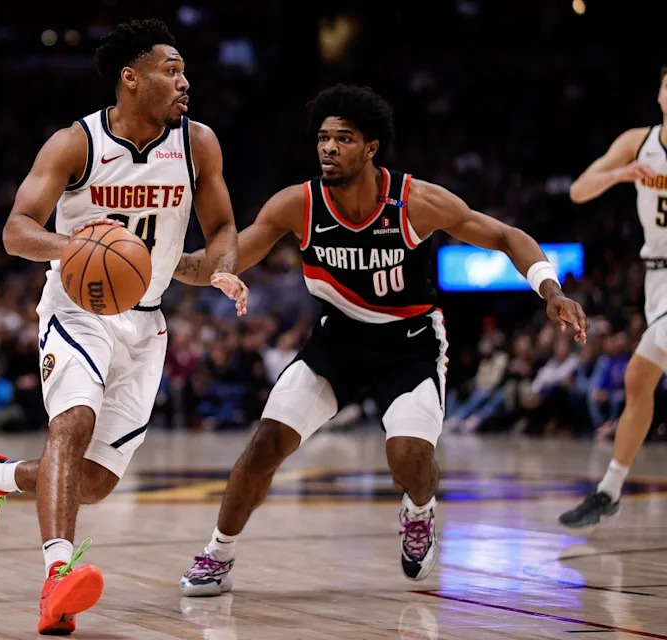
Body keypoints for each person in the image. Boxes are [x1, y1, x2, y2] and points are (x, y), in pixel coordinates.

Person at [172, 83, 588, 595]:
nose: (328, 148)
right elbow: (226, 259)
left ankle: (420, 510)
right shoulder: (298, 204)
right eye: (323, 138)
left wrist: (550, 290)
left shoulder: (414, 202)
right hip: (336, 343)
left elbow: (505, 236)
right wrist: (161, 263)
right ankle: (218, 554)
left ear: (371, 147)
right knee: (265, 445)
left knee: (408, 456)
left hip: (409, 345)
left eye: (343, 139)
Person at [0, 19, 248, 635]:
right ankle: (57, 579)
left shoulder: (198, 144)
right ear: (130, 78)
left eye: (185, 71)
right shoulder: (75, 144)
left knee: (95, 482)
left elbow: (221, 226)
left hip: (148, 321)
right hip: (77, 309)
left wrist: (221, 267)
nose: (185, 82)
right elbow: (16, 231)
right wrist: (76, 247)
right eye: (171, 70)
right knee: (72, 425)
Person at [558, 66, 667, 528]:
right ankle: (609, 490)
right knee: (639, 380)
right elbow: (578, 191)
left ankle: (609, 487)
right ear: (659, 94)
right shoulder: (638, 142)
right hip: (656, 278)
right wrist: (621, 173)